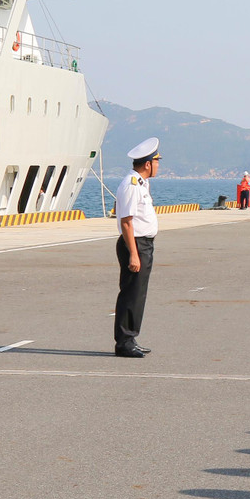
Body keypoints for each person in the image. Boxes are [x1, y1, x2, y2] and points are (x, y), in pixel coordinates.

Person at [114, 138, 161, 358]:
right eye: (156, 161)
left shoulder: (141, 183)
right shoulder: (131, 184)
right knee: (131, 293)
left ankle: (131, 338)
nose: (158, 165)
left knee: (138, 293)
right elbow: (126, 221)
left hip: (143, 244)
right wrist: (133, 253)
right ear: (147, 164)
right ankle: (124, 342)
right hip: (136, 244)